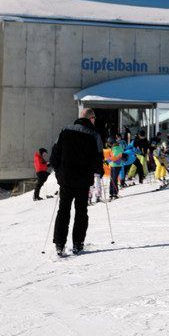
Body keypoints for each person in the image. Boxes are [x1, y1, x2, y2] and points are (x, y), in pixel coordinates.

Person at [49, 107, 104, 256]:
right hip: (83, 181)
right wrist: (99, 172)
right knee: (81, 212)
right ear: (91, 119)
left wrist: (59, 174)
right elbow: (98, 159)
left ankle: (59, 244)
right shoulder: (94, 135)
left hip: (66, 179)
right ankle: (78, 244)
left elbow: (54, 155)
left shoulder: (64, 130)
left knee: (63, 211)